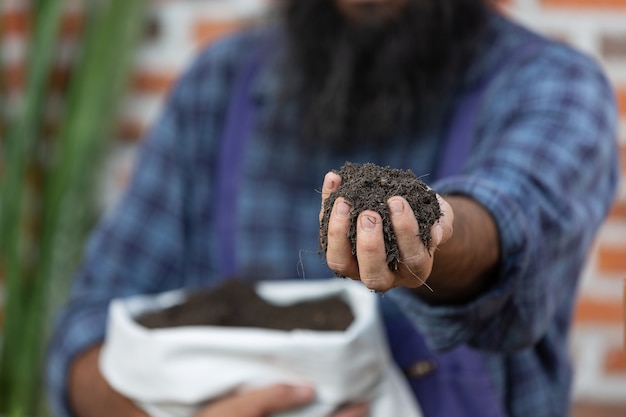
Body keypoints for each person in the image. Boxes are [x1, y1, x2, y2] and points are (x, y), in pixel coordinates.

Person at [46, 0, 620, 416]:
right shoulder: (217, 88)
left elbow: (512, 218)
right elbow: (81, 334)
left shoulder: (551, 85)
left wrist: (432, 232)